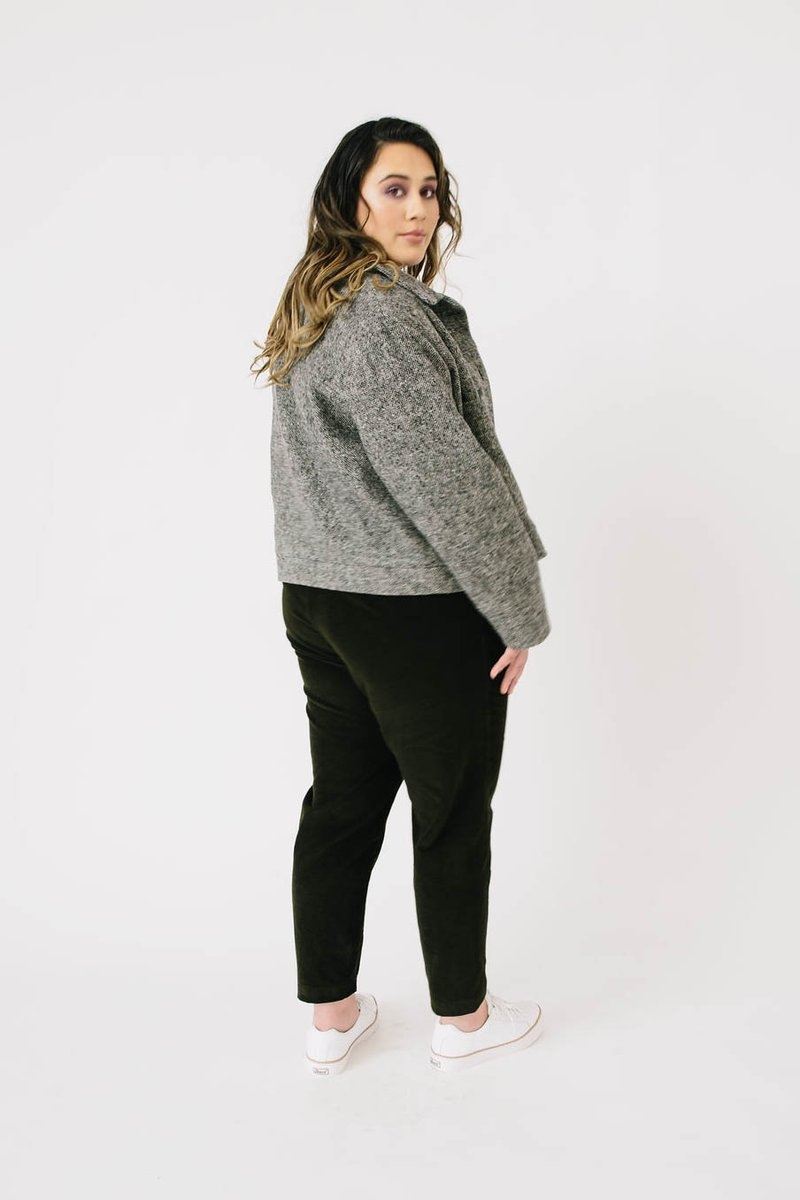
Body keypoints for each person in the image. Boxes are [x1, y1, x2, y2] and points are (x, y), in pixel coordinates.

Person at [251, 116, 551, 1075]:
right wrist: (518, 610)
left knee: (342, 803)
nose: (417, 209)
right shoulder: (381, 314)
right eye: (394, 189)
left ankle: (332, 1016)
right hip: (411, 605)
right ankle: (464, 1019)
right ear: (351, 199)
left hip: (322, 596)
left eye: (428, 190)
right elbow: (447, 482)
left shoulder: (316, 301)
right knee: (450, 808)